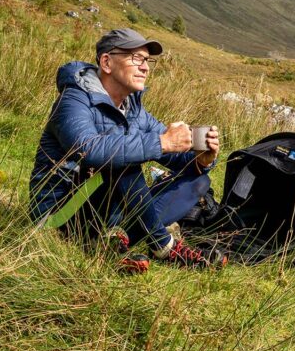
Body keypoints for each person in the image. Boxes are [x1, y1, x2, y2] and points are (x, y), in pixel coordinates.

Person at [29, 28, 226, 271]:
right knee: (122, 162)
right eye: (136, 58)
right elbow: (90, 150)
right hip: (60, 216)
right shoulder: (74, 100)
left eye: (147, 60)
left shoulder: (133, 110)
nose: (145, 67)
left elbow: (174, 155)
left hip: (106, 214)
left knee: (198, 181)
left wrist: (201, 159)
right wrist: (164, 142)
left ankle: (115, 241)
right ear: (107, 62)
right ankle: (164, 246)